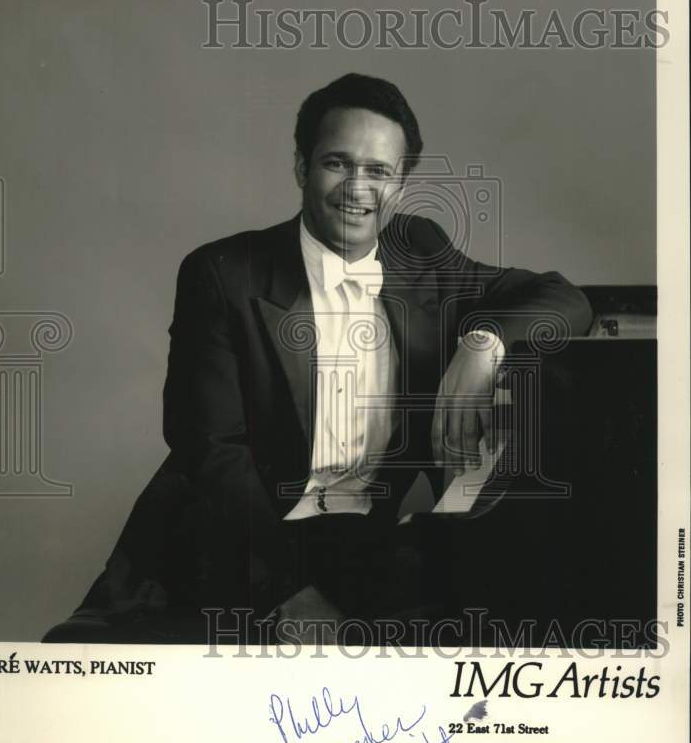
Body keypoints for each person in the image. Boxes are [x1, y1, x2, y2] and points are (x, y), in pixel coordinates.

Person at [43, 72, 592, 645]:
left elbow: (565, 299)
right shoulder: (222, 272)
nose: (357, 188)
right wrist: (291, 598)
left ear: (401, 186)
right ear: (302, 168)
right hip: (231, 548)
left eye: (378, 171)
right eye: (337, 163)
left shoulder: (421, 251)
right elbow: (211, 454)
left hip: (361, 547)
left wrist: (483, 344)